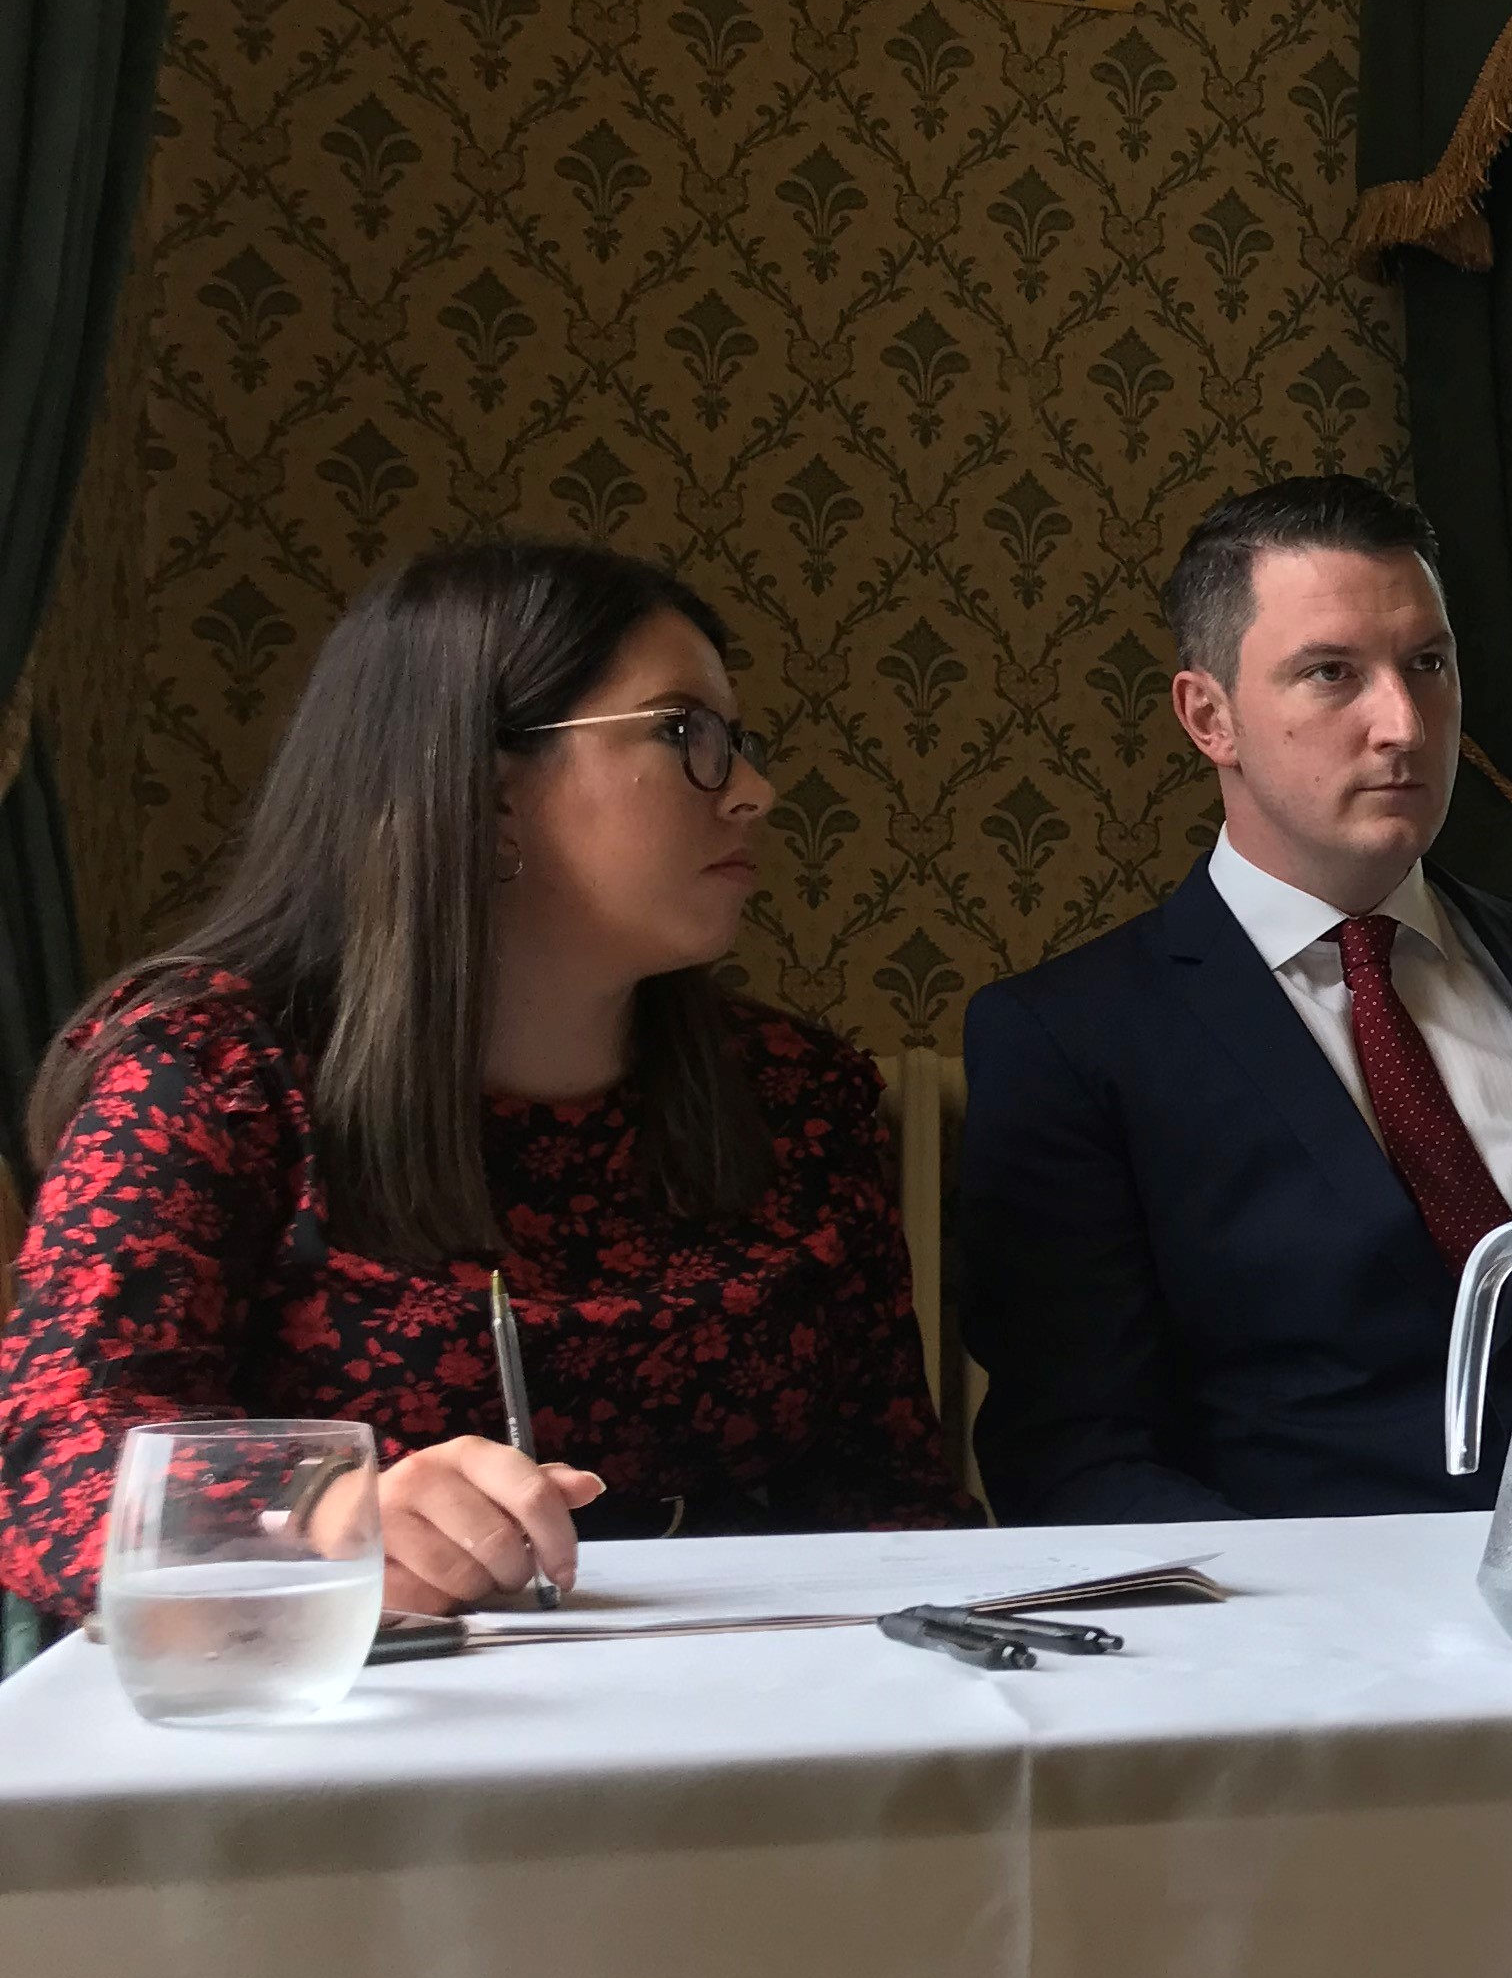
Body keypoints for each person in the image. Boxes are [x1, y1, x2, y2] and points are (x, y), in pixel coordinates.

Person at [0, 540, 974, 1624]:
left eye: (737, 742)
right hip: (393, 1738)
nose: (753, 790)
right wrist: (320, 1515)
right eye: (684, 733)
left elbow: (898, 1503)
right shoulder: (213, 1077)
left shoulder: (801, 1096)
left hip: (779, 1722)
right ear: (484, 785)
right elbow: (52, 1463)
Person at [960, 474, 1512, 1521]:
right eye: (1332, 674)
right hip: (1297, 1650)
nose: (1404, 723)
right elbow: (1073, 1453)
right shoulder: (1073, 1037)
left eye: (1428, 665)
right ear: (1210, 717)